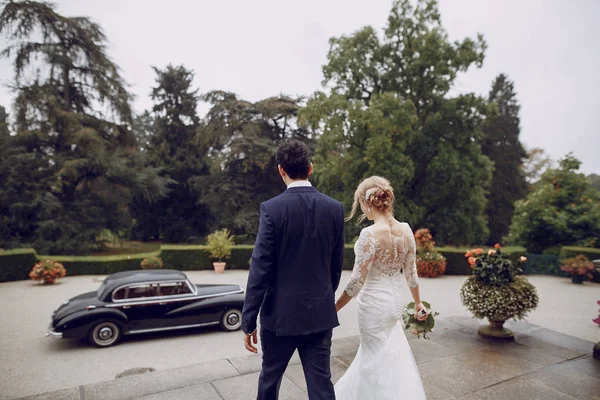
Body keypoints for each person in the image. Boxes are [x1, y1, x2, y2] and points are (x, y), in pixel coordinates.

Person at [241, 139, 345, 400]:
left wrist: (248, 320)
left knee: (269, 381)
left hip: (279, 318)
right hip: (319, 316)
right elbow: (336, 265)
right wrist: (322, 297)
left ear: (280, 170)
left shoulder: (272, 209)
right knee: (321, 386)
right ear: (310, 168)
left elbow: (260, 268)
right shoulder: (334, 208)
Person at [334, 176, 427, 399]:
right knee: (388, 355)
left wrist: (333, 308)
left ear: (366, 204)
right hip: (395, 303)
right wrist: (418, 303)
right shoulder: (406, 230)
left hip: (374, 305)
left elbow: (357, 281)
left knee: (371, 358)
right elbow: (411, 274)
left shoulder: (369, 234)